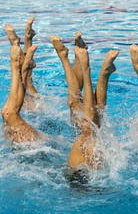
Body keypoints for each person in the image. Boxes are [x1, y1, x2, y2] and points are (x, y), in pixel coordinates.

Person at [51, 33, 119, 172]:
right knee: (88, 123)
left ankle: (101, 72)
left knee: (80, 108)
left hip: (81, 177)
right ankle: (81, 65)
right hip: (84, 175)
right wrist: (85, 68)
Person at [1, 21, 40, 142]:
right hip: (36, 118)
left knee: (27, 82)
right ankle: (22, 44)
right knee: (28, 83)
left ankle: (21, 42)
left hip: (34, 118)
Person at [4, 17, 40, 110]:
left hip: (33, 110)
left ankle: (21, 40)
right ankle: (18, 41)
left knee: (27, 80)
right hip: (34, 111)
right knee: (27, 80)